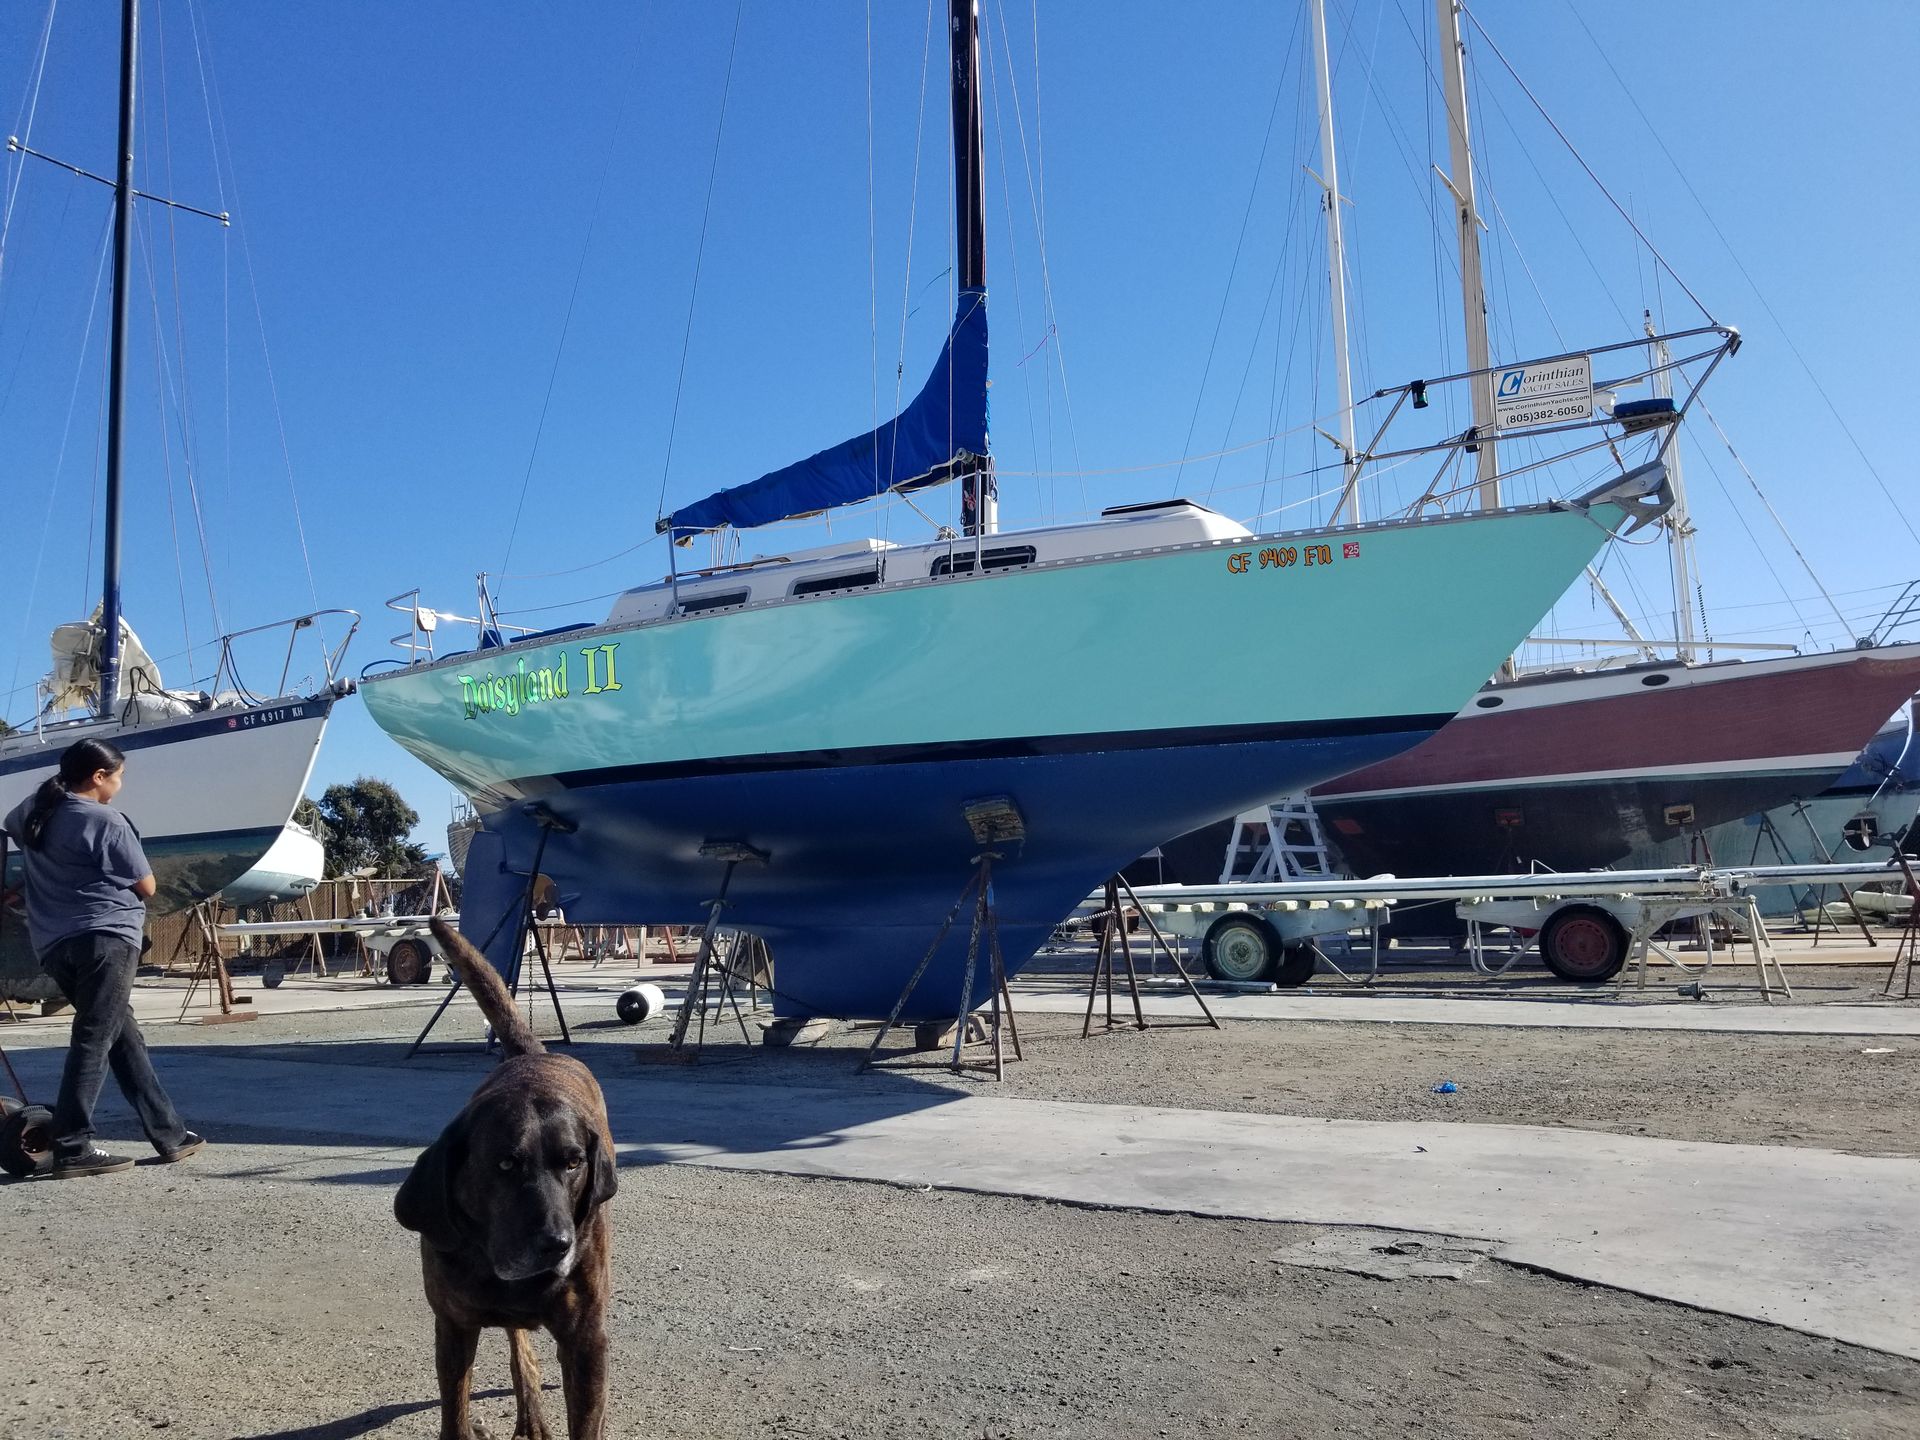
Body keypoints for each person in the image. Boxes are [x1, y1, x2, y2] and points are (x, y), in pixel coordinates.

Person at [2, 738, 203, 1178]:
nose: (119, 785)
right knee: (95, 1037)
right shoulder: (105, 820)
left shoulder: (36, 810)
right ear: (98, 776)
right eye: (119, 777)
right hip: (105, 938)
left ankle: (169, 1134)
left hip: (54, 943)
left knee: (120, 1036)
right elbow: (146, 886)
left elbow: (9, 826)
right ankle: (72, 1145)